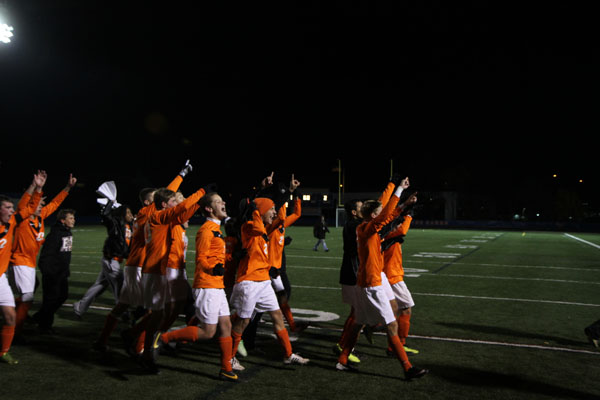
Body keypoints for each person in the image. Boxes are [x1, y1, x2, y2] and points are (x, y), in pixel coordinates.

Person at [94, 162, 192, 352]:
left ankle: (111, 340)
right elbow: (168, 191)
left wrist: (182, 174)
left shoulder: (149, 213)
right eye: (156, 197)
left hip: (138, 265)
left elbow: (167, 192)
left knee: (132, 307)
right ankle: (139, 345)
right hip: (139, 265)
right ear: (148, 202)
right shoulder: (148, 212)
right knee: (152, 309)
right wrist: (181, 174)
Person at [335, 179, 427, 380]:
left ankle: (342, 359)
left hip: (371, 280)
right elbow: (387, 215)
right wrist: (400, 189)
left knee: (359, 322)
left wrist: (404, 205)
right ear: (373, 215)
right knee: (391, 325)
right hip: (371, 284)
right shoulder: (366, 229)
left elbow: (390, 215)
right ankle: (407, 367)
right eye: (378, 211)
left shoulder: (367, 228)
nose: (382, 212)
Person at [156, 192, 239, 382]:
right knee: (208, 331)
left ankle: (226, 368)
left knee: (226, 325)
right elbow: (201, 259)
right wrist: (213, 268)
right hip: (207, 285)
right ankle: (164, 338)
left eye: (222, 199)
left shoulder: (217, 228)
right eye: (218, 201)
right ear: (209, 209)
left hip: (216, 285)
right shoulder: (205, 230)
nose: (223, 202)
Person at [130, 182, 207, 374]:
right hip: (154, 271)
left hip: (159, 271)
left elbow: (183, 213)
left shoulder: (164, 218)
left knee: (162, 314)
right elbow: (181, 209)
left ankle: (144, 346)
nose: (176, 203)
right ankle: (141, 346)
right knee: (157, 315)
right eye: (172, 200)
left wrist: (198, 203)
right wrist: (201, 192)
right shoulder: (157, 217)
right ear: (164, 205)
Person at [229, 196, 309, 366]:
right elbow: (258, 227)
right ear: (260, 212)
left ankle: (288, 354)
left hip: (264, 280)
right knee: (243, 321)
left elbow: (280, 219)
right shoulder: (249, 227)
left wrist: (286, 194)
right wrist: (257, 211)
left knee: (277, 315)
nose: (274, 212)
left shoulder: (264, 227)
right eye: (271, 209)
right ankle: (230, 357)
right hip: (249, 282)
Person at [8, 173, 76, 340]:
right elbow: (24, 203)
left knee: (26, 293)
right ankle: (17, 330)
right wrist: (36, 187)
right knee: (28, 296)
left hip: (30, 263)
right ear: (32, 205)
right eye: (39, 203)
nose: (42, 206)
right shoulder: (23, 219)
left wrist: (68, 188)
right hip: (19, 260)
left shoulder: (40, 219)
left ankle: (13, 313)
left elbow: (55, 203)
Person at [0, 171, 45, 365]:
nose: (12, 211)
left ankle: (3, 352)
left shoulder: (12, 222)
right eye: (7, 208)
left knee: (10, 316)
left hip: (0, 277)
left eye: (11, 208)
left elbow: (28, 207)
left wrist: (36, 187)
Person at [73, 196, 133, 319]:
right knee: (119, 286)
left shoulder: (128, 227)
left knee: (99, 286)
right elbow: (106, 215)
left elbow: (126, 246)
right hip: (111, 260)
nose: (130, 214)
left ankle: (80, 307)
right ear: (122, 214)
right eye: (127, 212)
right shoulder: (116, 225)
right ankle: (122, 312)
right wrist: (110, 202)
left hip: (114, 260)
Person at [381, 195, 418, 356]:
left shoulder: (386, 229)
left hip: (393, 275)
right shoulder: (385, 231)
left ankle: (395, 345)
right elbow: (402, 229)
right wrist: (409, 215)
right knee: (406, 308)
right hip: (392, 276)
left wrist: (406, 211)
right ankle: (398, 345)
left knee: (397, 310)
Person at [33, 208, 76, 335]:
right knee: (50, 300)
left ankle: (39, 317)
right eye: (71, 218)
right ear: (63, 220)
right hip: (53, 274)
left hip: (62, 273)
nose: (74, 220)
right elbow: (45, 256)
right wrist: (49, 272)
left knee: (62, 296)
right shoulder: (56, 234)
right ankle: (44, 326)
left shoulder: (67, 233)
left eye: (73, 218)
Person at [333, 198, 364, 364]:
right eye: (360, 207)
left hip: (353, 271)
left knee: (357, 312)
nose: (363, 208)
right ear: (353, 212)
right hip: (352, 273)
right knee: (358, 313)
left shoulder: (355, 224)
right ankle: (343, 346)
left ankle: (345, 345)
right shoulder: (354, 225)